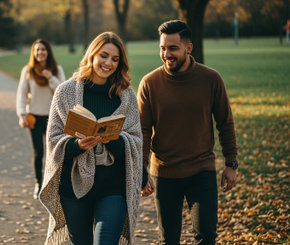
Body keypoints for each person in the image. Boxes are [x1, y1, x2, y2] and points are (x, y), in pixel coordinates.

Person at [39, 31, 149, 245]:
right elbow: (53, 139)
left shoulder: (126, 95)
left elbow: (135, 139)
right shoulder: (65, 91)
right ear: (92, 55)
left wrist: (112, 138)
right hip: (73, 186)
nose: (108, 63)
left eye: (115, 59)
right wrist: (77, 145)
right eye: (104, 55)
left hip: (113, 185)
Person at [137, 20, 238, 244]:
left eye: (173, 48)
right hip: (164, 173)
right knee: (168, 239)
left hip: (201, 170)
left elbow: (225, 123)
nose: (166, 54)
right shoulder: (149, 83)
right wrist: (141, 169)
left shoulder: (211, 79)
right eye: (162, 48)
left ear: (188, 48)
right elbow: (143, 131)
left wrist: (231, 164)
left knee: (206, 237)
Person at [16, 38, 65, 199]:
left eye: (43, 49)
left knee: (55, 153)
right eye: (37, 50)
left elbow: (64, 92)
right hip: (34, 118)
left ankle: (54, 185)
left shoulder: (56, 69)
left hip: (53, 118)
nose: (40, 52)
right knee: (39, 152)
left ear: (48, 52)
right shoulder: (28, 71)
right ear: (33, 53)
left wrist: (50, 77)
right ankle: (38, 183)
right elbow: (22, 94)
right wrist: (22, 114)